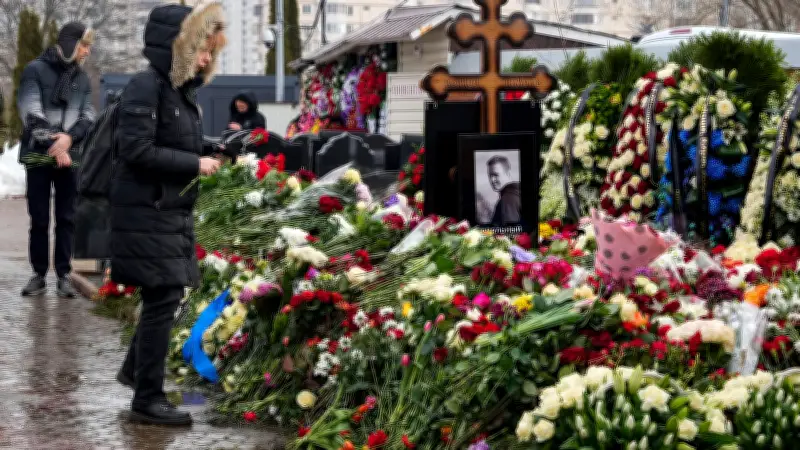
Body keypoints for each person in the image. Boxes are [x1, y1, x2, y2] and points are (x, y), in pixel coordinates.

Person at [111, 2, 226, 425]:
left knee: (165, 297)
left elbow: (172, 140)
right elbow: (136, 149)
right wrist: (195, 163)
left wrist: (213, 147)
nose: (207, 59)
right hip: (147, 211)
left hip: (165, 210)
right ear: (179, 46)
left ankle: (135, 373)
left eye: (211, 51)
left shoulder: (176, 91)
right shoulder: (147, 86)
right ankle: (147, 399)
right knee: (163, 298)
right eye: (202, 49)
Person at [18, 22, 95, 297]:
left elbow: (88, 116)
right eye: (84, 45)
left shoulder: (82, 79)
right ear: (70, 43)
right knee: (39, 218)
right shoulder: (34, 70)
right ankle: (38, 274)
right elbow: (30, 112)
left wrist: (69, 140)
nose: (87, 51)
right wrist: (56, 145)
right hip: (39, 156)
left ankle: (63, 274)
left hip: (69, 157)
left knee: (67, 218)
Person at [487, 155, 521, 226]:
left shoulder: (508, 199)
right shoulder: (515, 193)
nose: (492, 180)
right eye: (490, 176)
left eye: (496, 175)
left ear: (508, 173)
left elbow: (511, 229)